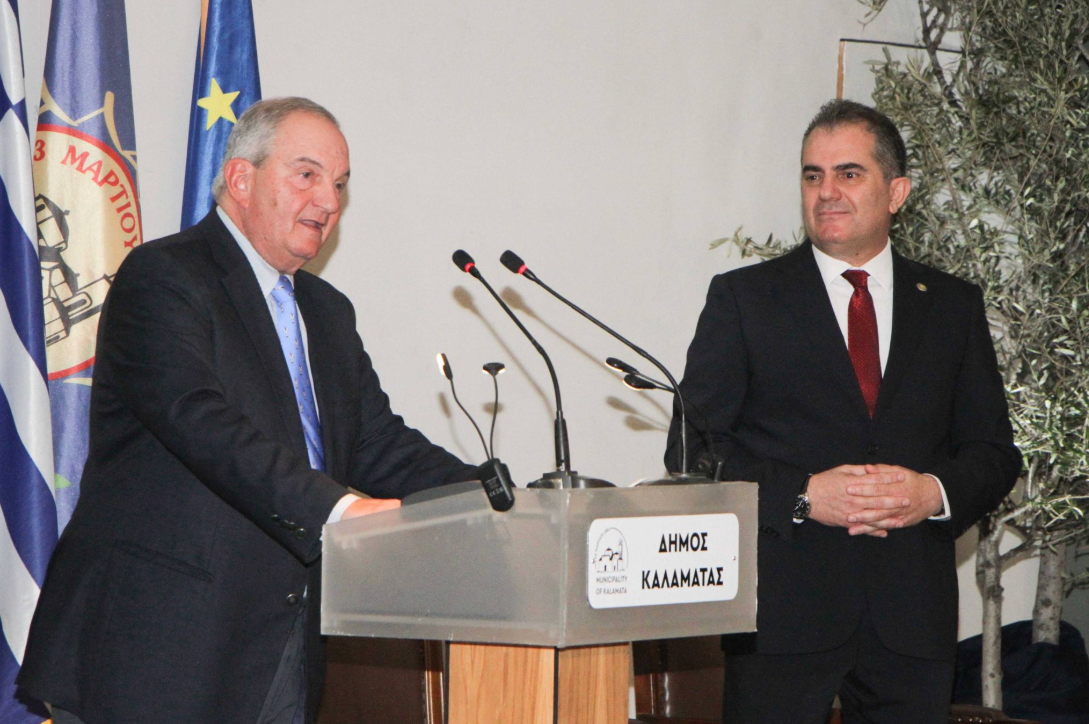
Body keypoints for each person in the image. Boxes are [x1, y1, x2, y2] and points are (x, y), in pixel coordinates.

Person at [17, 97, 479, 724]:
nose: (329, 202)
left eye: (340, 184)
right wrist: (340, 511)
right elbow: (201, 423)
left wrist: (496, 499)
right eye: (308, 175)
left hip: (279, 650)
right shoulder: (163, 276)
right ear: (241, 178)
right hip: (157, 649)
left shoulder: (327, 312)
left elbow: (377, 443)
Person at [666, 99, 1021, 724]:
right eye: (813, 175)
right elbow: (693, 450)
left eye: (848, 173)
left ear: (897, 192)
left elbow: (993, 454)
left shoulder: (951, 306)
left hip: (911, 620)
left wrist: (931, 493)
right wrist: (803, 495)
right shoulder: (745, 299)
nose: (826, 192)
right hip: (782, 617)